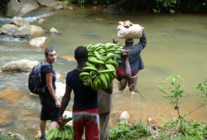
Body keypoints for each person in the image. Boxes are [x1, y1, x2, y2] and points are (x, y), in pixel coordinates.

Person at [58, 46, 112, 140]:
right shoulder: (94, 74)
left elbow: (66, 97)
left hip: (78, 112)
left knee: (77, 137)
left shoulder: (70, 75)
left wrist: (60, 114)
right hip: (92, 112)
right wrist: (107, 71)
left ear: (75, 58)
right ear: (87, 57)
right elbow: (109, 90)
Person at [98, 48, 131, 140]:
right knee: (102, 130)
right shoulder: (110, 67)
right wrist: (125, 59)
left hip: (88, 105)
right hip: (104, 104)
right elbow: (128, 75)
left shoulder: (88, 66)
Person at [117, 28, 146, 97]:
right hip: (133, 73)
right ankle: (132, 102)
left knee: (120, 89)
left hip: (124, 73)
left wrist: (114, 44)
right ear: (132, 42)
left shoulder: (120, 50)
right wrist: (143, 33)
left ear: (125, 42)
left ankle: (119, 99)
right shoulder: (137, 48)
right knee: (132, 89)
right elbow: (143, 43)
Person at [39, 47, 61, 140]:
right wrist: (56, 100)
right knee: (55, 118)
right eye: (51, 55)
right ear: (46, 56)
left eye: (55, 55)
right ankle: (48, 137)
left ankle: (43, 136)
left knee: (43, 117)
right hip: (49, 97)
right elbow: (49, 85)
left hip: (43, 96)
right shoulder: (48, 68)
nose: (54, 57)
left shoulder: (43, 64)